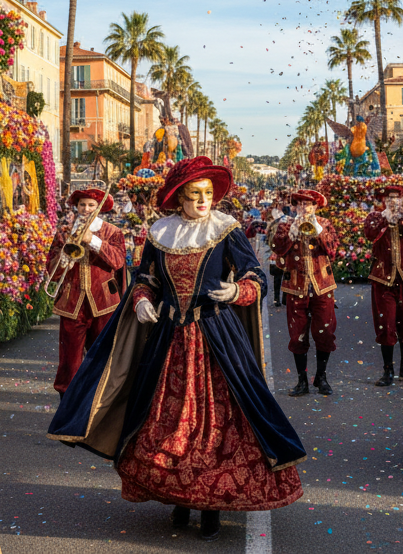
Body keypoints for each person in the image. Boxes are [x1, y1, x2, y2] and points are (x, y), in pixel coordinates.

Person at [49, 157, 304, 541]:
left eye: (208, 194)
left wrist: (237, 290)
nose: (203, 201)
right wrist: (140, 301)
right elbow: (145, 278)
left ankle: (211, 506)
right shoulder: (160, 233)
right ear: (179, 198)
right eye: (195, 194)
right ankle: (181, 499)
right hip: (169, 339)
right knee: (166, 422)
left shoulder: (226, 229)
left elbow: (255, 275)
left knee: (218, 424)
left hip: (216, 335)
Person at [47, 188, 126, 395]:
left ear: (99, 208)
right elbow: (52, 271)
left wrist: (93, 240)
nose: (86, 209)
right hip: (72, 302)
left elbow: (118, 261)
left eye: (91, 205)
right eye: (82, 204)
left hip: (104, 302)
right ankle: (68, 400)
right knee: (70, 359)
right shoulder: (65, 231)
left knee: (102, 354)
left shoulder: (112, 232)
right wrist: (63, 262)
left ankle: (99, 400)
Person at [272, 188, 339, 396]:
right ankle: (302, 380)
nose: (304, 208)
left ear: (315, 207)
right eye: (300, 205)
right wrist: (292, 232)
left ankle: (321, 376)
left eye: (308, 205)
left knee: (325, 332)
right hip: (296, 287)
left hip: (322, 286)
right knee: (298, 335)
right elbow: (276, 247)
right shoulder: (286, 225)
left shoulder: (325, 223)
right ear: (295, 207)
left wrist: (318, 229)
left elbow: (333, 250)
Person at [364, 185, 403, 387]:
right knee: (386, 324)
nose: (394, 202)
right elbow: (370, 234)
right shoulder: (375, 217)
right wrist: (384, 220)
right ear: (384, 200)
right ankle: (387, 370)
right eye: (390, 198)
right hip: (383, 279)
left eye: (397, 198)